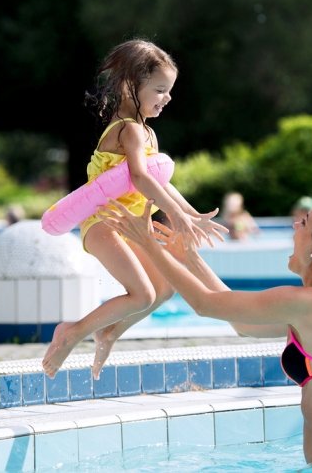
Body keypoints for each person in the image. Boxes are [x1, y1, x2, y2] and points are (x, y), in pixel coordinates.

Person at [101, 198, 312, 471]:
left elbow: (204, 304)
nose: (294, 225)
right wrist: (190, 258)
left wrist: (150, 245)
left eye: (304, 223)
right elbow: (243, 324)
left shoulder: (310, 304)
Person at [42, 39, 226, 379]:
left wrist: (190, 212)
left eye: (169, 90)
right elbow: (140, 177)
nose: (167, 98)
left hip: (129, 224)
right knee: (142, 295)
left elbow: (161, 181)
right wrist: (179, 214)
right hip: (103, 223)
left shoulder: (148, 133)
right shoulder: (128, 131)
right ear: (130, 86)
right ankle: (72, 331)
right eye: (159, 90)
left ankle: (109, 332)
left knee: (165, 287)